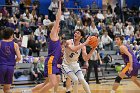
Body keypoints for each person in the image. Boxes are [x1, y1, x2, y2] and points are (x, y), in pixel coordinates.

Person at [22, 0, 62, 93]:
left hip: (54, 61)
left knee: (46, 83)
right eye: (57, 26)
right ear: (53, 28)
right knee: (53, 83)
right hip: (51, 61)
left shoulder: (56, 36)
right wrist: (60, 4)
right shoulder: (53, 33)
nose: (58, 27)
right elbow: (58, 18)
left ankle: (28, 91)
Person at [61, 29, 95, 93]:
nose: (75, 34)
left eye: (78, 33)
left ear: (81, 37)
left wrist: (93, 49)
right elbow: (73, 49)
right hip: (66, 65)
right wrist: (85, 43)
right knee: (75, 80)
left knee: (82, 79)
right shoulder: (69, 42)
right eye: (75, 32)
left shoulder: (83, 47)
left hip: (75, 64)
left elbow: (85, 58)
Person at [0, 27, 21, 93]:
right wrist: (13, 61)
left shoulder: (0, 43)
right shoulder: (15, 45)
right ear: (11, 35)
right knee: (7, 89)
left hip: (1, 66)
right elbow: (19, 57)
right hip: (10, 67)